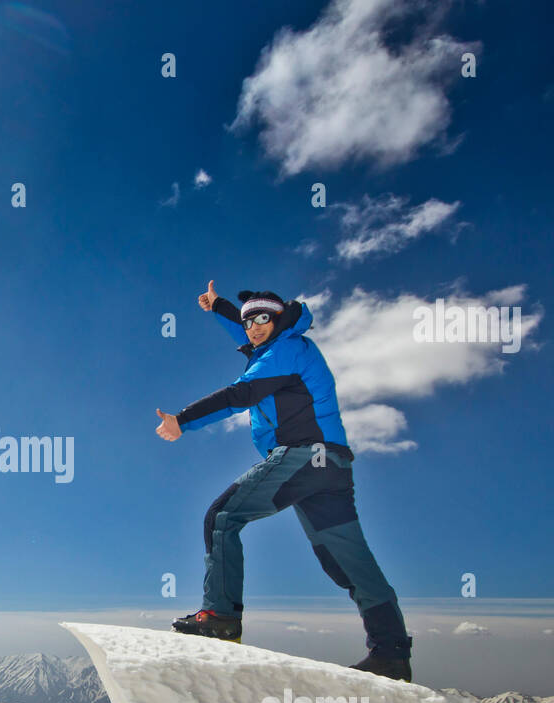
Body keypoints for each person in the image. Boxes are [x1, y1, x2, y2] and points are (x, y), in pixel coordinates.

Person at [154, 282, 413, 682]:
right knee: (348, 562)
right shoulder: (280, 341)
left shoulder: (285, 352)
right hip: (333, 466)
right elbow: (249, 333)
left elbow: (239, 395)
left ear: (280, 319)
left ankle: (221, 616)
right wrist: (219, 307)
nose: (253, 328)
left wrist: (182, 421)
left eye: (262, 319)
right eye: (248, 322)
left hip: (304, 456)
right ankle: (391, 654)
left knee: (222, 517)